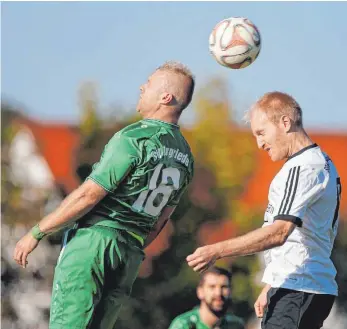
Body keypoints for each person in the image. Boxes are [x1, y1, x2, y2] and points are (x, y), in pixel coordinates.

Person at [14, 61, 195, 329]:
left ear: (165, 97)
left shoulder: (135, 138)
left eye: (149, 83)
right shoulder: (185, 157)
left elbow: (89, 194)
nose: (142, 87)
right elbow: (161, 221)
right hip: (130, 253)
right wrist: (130, 249)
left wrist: (37, 232)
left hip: (95, 242)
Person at [186, 92, 341, 329]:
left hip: (298, 289)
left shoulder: (304, 167)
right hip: (300, 287)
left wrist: (217, 250)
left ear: (285, 123)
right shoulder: (320, 162)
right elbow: (306, 236)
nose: (259, 144)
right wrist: (271, 283)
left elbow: (279, 232)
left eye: (261, 133)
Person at [168, 267, 245, 329]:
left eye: (224, 287)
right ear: (200, 292)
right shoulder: (183, 324)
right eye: (212, 287)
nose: (218, 293)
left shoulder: (235, 325)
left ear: (230, 291)